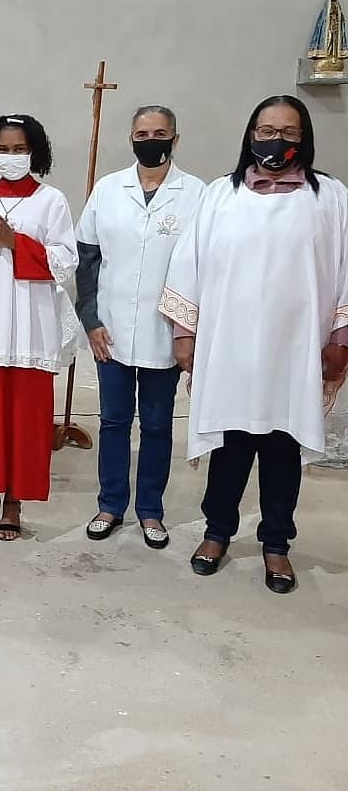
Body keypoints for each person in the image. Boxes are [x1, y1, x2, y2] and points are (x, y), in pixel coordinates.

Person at [161, 95, 348, 593]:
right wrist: (186, 332)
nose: (277, 140)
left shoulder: (328, 197)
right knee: (231, 443)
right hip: (230, 346)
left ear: (304, 138)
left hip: (295, 349)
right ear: (250, 135)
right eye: (267, 130)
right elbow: (189, 262)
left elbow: (347, 268)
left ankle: (276, 544)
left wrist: (339, 337)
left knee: (283, 447)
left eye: (288, 132)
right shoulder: (222, 195)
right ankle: (217, 533)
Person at [75, 106, 205, 549]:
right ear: (131, 138)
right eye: (142, 133)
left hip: (164, 332)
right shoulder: (109, 189)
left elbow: (203, 267)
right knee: (113, 421)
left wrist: (188, 329)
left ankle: (150, 509)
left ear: (175, 138)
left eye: (160, 133)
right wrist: (90, 320)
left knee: (156, 425)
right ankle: (110, 504)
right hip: (108, 330)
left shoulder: (197, 194)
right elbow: (87, 259)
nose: (151, 140)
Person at [0, 114, 78, 540]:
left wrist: (16, 243)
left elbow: (65, 260)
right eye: (3, 149)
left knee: (25, 416)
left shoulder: (51, 200)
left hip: (28, 323)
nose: (11, 156)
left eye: (20, 149)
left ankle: (16, 501)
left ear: (35, 152)